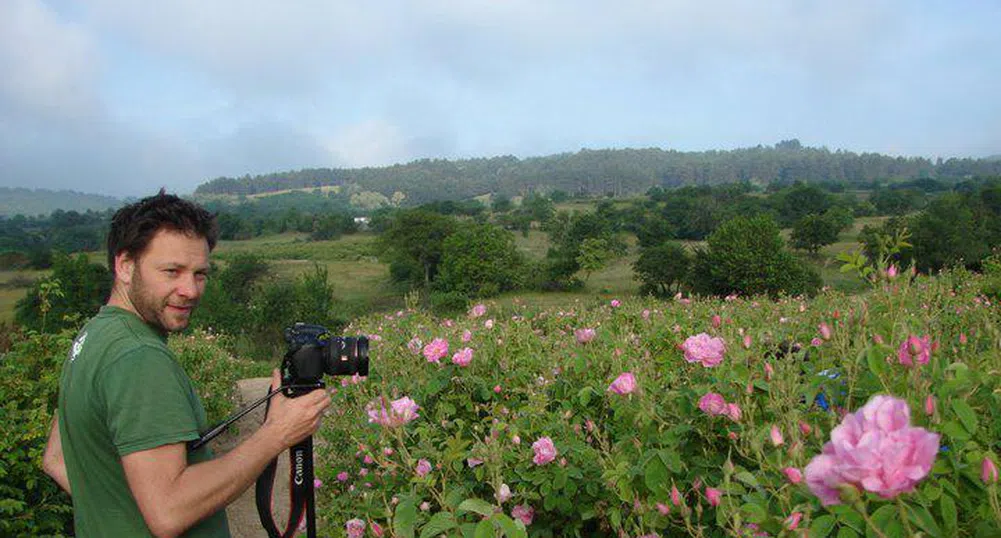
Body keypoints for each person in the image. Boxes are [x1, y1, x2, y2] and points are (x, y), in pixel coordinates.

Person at [42, 190, 331, 537]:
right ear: (124, 266)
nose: (190, 290)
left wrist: (126, 510)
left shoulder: (92, 337)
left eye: (199, 273)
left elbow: (56, 459)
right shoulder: (139, 357)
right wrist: (276, 434)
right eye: (171, 271)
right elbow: (169, 513)